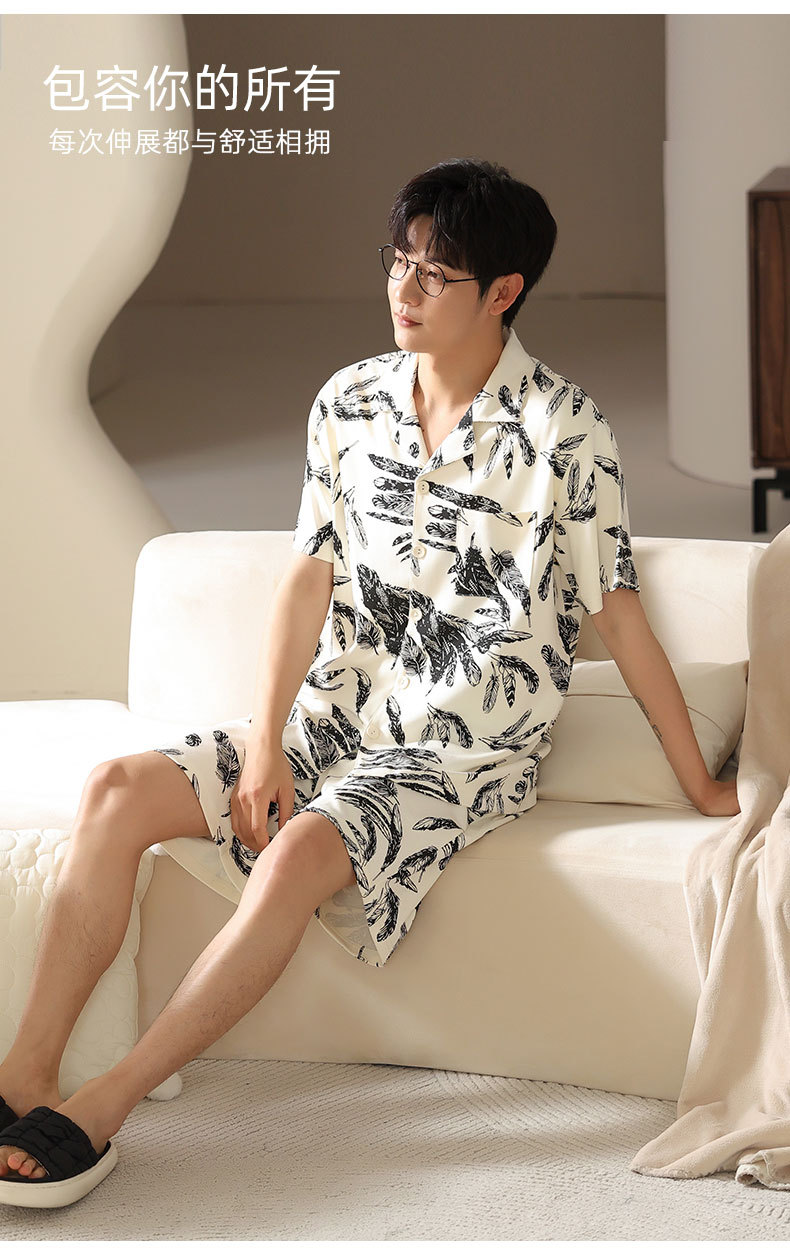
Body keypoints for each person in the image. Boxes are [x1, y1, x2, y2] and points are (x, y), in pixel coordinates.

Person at [0, 156, 740, 1205]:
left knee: (300, 851)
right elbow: (306, 577)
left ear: (503, 290)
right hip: (331, 719)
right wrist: (264, 740)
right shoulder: (346, 401)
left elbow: (616, 611)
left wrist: (700, 783)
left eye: (435, 273)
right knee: (115, 790)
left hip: (459, 747)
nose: (404, 288)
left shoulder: (564, 430)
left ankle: (103, 1102)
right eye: (397, 261)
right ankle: (24, 1075)